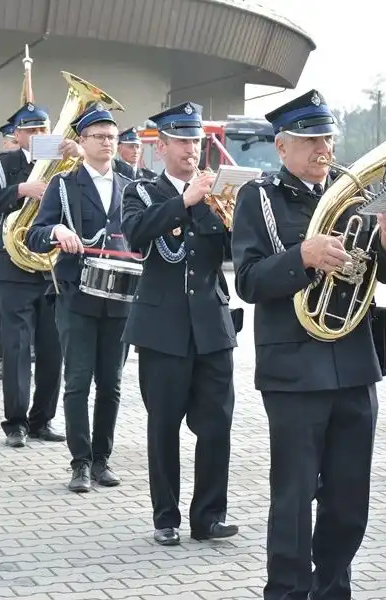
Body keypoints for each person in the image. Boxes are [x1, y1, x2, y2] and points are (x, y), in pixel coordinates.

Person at [231, 89, 386, 600]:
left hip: (355, 366)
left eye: (328, 137)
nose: (323, 148)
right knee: (292, 501)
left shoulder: (355, 195)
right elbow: (247, 281)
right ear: (282, 146)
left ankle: (333, 590)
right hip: (293, 371)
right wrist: (303, 256)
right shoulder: (259, 199)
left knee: (349, 501)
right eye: (311, 139)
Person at [121, 101, 238, 546]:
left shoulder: (216, 192)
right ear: (163, 145)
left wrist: (230, 210)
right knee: (163, 426)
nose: (192, 148)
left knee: (216, 426)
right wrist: (185, 202)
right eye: (183, 140)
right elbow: (135, 234)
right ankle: (165, 517)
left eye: (196, 140)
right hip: (162, 331)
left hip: (211, 327)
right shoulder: (142, 191)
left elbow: (233, 252)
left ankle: (209, 516)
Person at [25, 103, 133, 492]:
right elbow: (33, 235)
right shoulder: (64, 185)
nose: (107, 143)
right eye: (99, 137)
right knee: (77, 381)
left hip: (120, 297)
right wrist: (55, 230)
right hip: (77, 295)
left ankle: (103, 459)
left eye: (112, 137)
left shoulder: (131, 184)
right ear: (82, 142)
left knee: (112, 383)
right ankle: (80, 462)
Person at [0, 102, 67, 447]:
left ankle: (42, 419)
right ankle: (15, 422)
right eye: (31, 130)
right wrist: (21, 190)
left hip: (51, 267)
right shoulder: (2, 162)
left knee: (52, 348)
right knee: (15, 347)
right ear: (17, 135)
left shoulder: (63, 164)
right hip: (13, 266)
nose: (39, 135)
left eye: (43, 129)